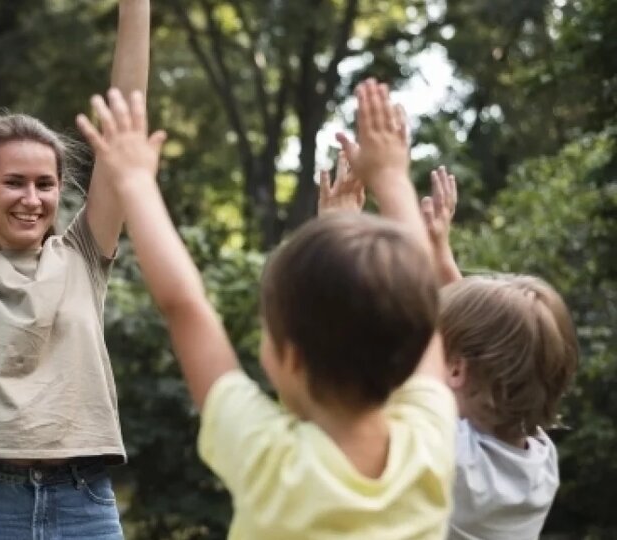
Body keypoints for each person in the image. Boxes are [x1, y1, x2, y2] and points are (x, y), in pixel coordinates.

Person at [77, 80, 458, 539]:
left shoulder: (271, 461)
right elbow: (421, 308)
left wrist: (134, 180)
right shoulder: (429, 444)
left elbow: (186, 306)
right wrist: (391, 178)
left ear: (291, 356)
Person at [0, 1, 149, 538]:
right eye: (14, 182)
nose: (31, 199)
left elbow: (125, 120)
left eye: (44, 184)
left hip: (84, 504)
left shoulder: (82, 256)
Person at [419, 168, 579, 540]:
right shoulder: (538, 463)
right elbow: (502, 338)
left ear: (456, 369)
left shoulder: (450, 455)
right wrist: (439, 253)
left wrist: (385, 182)